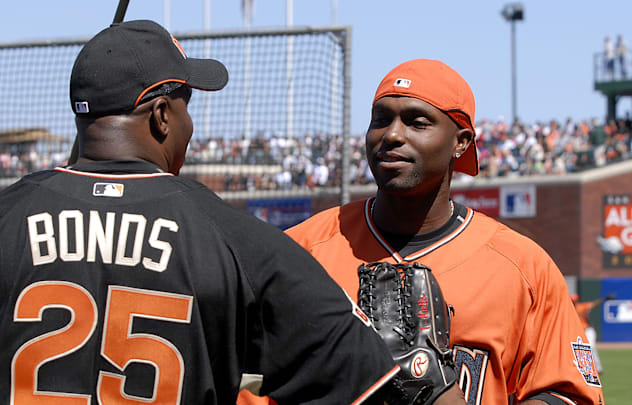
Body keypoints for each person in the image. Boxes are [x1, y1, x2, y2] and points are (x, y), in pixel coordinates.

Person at [0, 21, 464, 405]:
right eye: (185, 107)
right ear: (159, 115)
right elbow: (387, 386)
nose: (190, 128)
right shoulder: (235, 241)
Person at [243, 59, 606, 404]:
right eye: (381, 120)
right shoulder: (299, 251)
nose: (392, 135)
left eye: (417, 122)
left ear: (461, 142)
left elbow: (570, 394)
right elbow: (245, 383)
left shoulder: (524, 267)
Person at [572, 293, 614, 375]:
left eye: (574, 301)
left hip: (588, 330)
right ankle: (583, 368)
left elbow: (594, 304)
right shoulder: (568, 310)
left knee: (591, 347)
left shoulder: (581, 307)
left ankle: (598, 369)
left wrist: (605, 299)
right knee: (578, 349)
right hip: (578, 331)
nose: (573, 303)